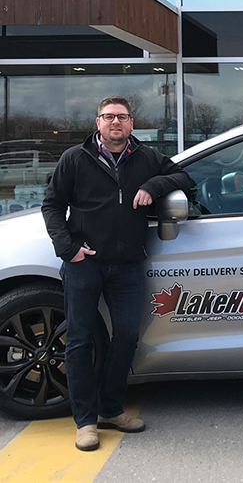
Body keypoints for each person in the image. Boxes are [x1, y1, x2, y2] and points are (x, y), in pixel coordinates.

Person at [42, 96, 192, 451]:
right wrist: (68, 249)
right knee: (79, 341)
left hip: (127, 265)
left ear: (131, 123)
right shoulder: (75, 159)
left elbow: (185, 178)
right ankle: (85, 421)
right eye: (108, 117)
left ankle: (111, 408)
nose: (115, 123)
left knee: (126, 336)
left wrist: (152, 186)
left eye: (122, 117)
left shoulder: (146, 157)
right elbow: (52, 205)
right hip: (85, 263)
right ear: (98, 123)